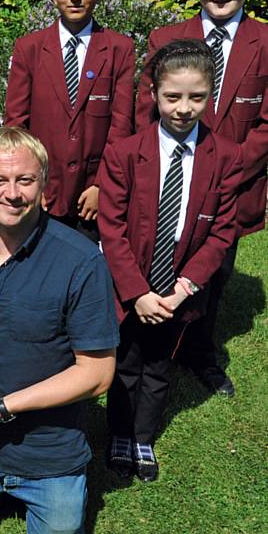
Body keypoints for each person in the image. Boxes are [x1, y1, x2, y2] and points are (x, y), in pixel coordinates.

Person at [0, 127, 118, 533]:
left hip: (49, 454)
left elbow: (97, 375)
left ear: (43, 184)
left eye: (25, 180)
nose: (12, 193)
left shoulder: (81, 261)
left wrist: (2, 409)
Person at [98, 40, 242, 482]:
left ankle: (143, 437)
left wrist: (182, 290)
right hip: (132, 289)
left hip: (179, 292)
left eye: (196, 97)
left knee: (159, 367)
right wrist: (138, 292)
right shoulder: (125, 153)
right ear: (154, 94)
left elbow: (221, 233)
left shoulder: (226, 158)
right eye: (172, 97)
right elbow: (112, 226)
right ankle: (119, 431)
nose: (183, 108)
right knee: (125, 363)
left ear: (211, 94)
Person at [134, 0, 267, 396]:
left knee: (213, 271)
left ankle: (199, 353)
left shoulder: (265, 42)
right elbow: (143, 110)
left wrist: (226, 174)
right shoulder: (166, 39)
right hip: (170, 178)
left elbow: (266, 123)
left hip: (233, 184)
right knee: (160, 260)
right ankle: (148, 345)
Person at [4, 0, 135, 243]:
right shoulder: (30, 48)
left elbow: (122, 125)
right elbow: (16, 124)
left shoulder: (119, 49)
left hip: (92, 192)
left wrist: (103, 186)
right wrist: (31, 182)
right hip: (44, 190)